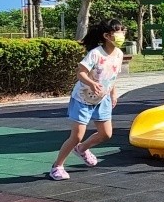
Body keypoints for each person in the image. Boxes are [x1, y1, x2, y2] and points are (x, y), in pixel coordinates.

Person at [49, 19, 125, 180]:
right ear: (106, 35)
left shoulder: (119, 54)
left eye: (123, 31)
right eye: (118, 32)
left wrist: (113, 94)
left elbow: (112, 76)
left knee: (106, 134)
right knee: (76, 135)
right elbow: (81, 73)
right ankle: (57, 166)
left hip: (102, 99)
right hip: (82, 98)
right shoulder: (96, 54)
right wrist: (91, 83)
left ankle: (82, 149)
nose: (122, 35)